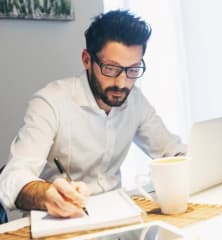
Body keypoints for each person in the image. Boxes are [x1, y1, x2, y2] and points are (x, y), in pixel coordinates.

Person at [0, 10, 186, 218]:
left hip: (118, 218)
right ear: (87, 60)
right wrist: (47, 194)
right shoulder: (50, 102)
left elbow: (171, 151)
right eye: (111, 68)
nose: (122, 83)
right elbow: (12, 177)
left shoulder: (135, 100)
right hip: (61, 222)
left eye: (133, 69)